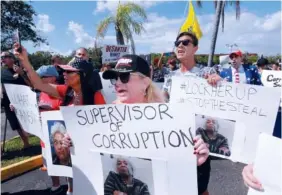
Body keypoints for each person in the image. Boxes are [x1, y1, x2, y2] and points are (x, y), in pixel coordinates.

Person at [101, 54, 210, 194]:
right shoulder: (105, 119)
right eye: (114, 78)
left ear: (145, 82)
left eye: (124, 77)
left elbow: (190, 184)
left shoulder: (170, 121)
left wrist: (197, 165)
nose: (117, 83)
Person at [13, 43, 107, 195]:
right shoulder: (65, 91)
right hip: (68, 153)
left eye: (69, 71)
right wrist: (25, 61)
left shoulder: (96, 97)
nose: (63, 73)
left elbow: (103, 129)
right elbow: (38, 84)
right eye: (63, 70)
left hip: (87, 156)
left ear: (82, 75)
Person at [162, 31, 220, 195]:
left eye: (185, 42)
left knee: (200, 189)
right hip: (175, 139)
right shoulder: (170, 76)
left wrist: (218, 82)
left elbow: (223, 99)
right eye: (177, 43)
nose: (180, 45)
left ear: (195, 48)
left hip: (199, 141)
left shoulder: (206, 73)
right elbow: (163, 102)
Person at [1, 51, 31, 148]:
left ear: (12, 58)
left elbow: (31, 84)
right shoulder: (2, 72)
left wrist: (21, 73)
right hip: (8, 102)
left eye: (4, 57)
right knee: (15, 123)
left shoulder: (21, 68)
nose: (2, 59)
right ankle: (25, 143)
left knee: (27, 121)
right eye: (1, 57)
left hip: (22, 100)